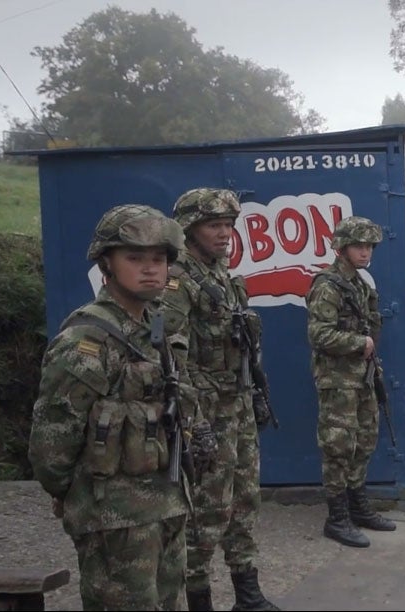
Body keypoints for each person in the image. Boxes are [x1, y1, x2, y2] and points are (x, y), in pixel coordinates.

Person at [29, 204, 202, 610]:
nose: (150, 269)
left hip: (167, 505)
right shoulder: (87, 340)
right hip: (116, 521)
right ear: (106, 263)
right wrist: (74, 496)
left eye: (158, 259)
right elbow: (51, 445)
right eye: (135, 258)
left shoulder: (154, 329)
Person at [162, 188, 280, 612]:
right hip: (206, 414)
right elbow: (172, 360)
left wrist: (256, 395)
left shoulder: (222, 275)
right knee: (207, 510)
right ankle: (198, 597)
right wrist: (195, 422)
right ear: (190, 228)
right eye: (215, 225)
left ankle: (247, 591)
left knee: (246, 499)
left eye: (229, 225)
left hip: (238, 404)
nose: (225, 233)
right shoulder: (178, 280)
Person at [306, 216, 397, 548]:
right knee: (338, 448)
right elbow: (318, 335)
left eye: (370, 246)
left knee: (364, 442)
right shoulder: (327, 285)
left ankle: (358, 507)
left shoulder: (359, 284)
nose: (366, 251)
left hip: (363, 377)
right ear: (342, 248)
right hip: (337, 381)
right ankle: (337, 517)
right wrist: (359, 344)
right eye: (359, 246)